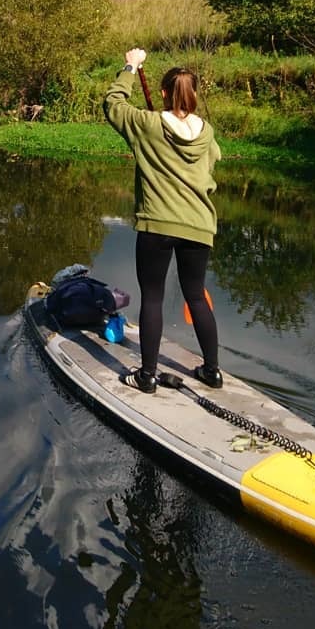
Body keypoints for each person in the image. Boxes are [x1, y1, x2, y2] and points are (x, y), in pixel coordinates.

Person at [103, 48, 222, 394]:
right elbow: (211, 165)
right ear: (194, 93)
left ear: (166, 93)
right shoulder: (207, 132)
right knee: (196, 295)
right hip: (199, 225)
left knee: (152, 297)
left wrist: (131, 66)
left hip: (157, 225)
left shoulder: (148, 124)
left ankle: (147, 376)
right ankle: (212, 372)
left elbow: (113, 103)